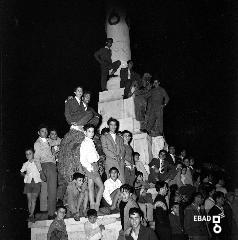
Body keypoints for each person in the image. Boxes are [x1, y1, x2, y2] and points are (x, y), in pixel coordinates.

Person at [58, 86, 97, 202]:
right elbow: (67, 113)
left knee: (90, 114)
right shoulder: (71, 100)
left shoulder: (86, 107)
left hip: (82, 125)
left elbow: (94, 117)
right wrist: (72, 122)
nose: (87, 98)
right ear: (76, 92)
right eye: (79, 91)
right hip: (75, 123)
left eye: (89, 97)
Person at [34, 124, 57, 219]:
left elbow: (57, 141)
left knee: (52, 189)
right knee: (50, 190)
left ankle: (50, 211)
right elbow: (36, 159)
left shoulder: (48, 140)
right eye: (43, 131)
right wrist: (40, 171)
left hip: (52, 165)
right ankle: (50, 213)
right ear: (38, 133)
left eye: (46, 131)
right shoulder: (37, 143)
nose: (45, 133)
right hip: (45, 165)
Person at [80, 124, 104, 211]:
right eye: (89, 131)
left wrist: (97, 157)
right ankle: (96, 206)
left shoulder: (90, 141)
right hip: (90, 166)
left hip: (94, 165)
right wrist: (90, 167)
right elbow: (82, 159)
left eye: (93, 131)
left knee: (91, 186)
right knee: (101, 187)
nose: (91, 133)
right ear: (85, 132)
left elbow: (94, 155)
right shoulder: (84, 143)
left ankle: (92, 207)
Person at [101, 117, 125, 183]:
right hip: (110, 162)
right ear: (108, 125)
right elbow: (105, 149)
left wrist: (120, 156)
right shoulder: (104, 137)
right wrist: (114, 156)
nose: (113, 126)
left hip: (120, 162)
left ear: (116, 126)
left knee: (121, 181)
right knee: (111, 182)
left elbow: (123, 149)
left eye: (114, 125)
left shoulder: (120, 138)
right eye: (111, 124)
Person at [20, 148, 42, 222]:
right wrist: (25, 175)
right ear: (26, 156)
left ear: (33, 154)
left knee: (34, 199)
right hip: (28, 182)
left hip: (37, 182)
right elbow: (21, 172)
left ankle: (31, 215)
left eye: (30, 153)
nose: (28, 155)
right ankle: (31, 215)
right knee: (29, 199)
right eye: (27, 154)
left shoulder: (37, 162)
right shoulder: (25, 164)